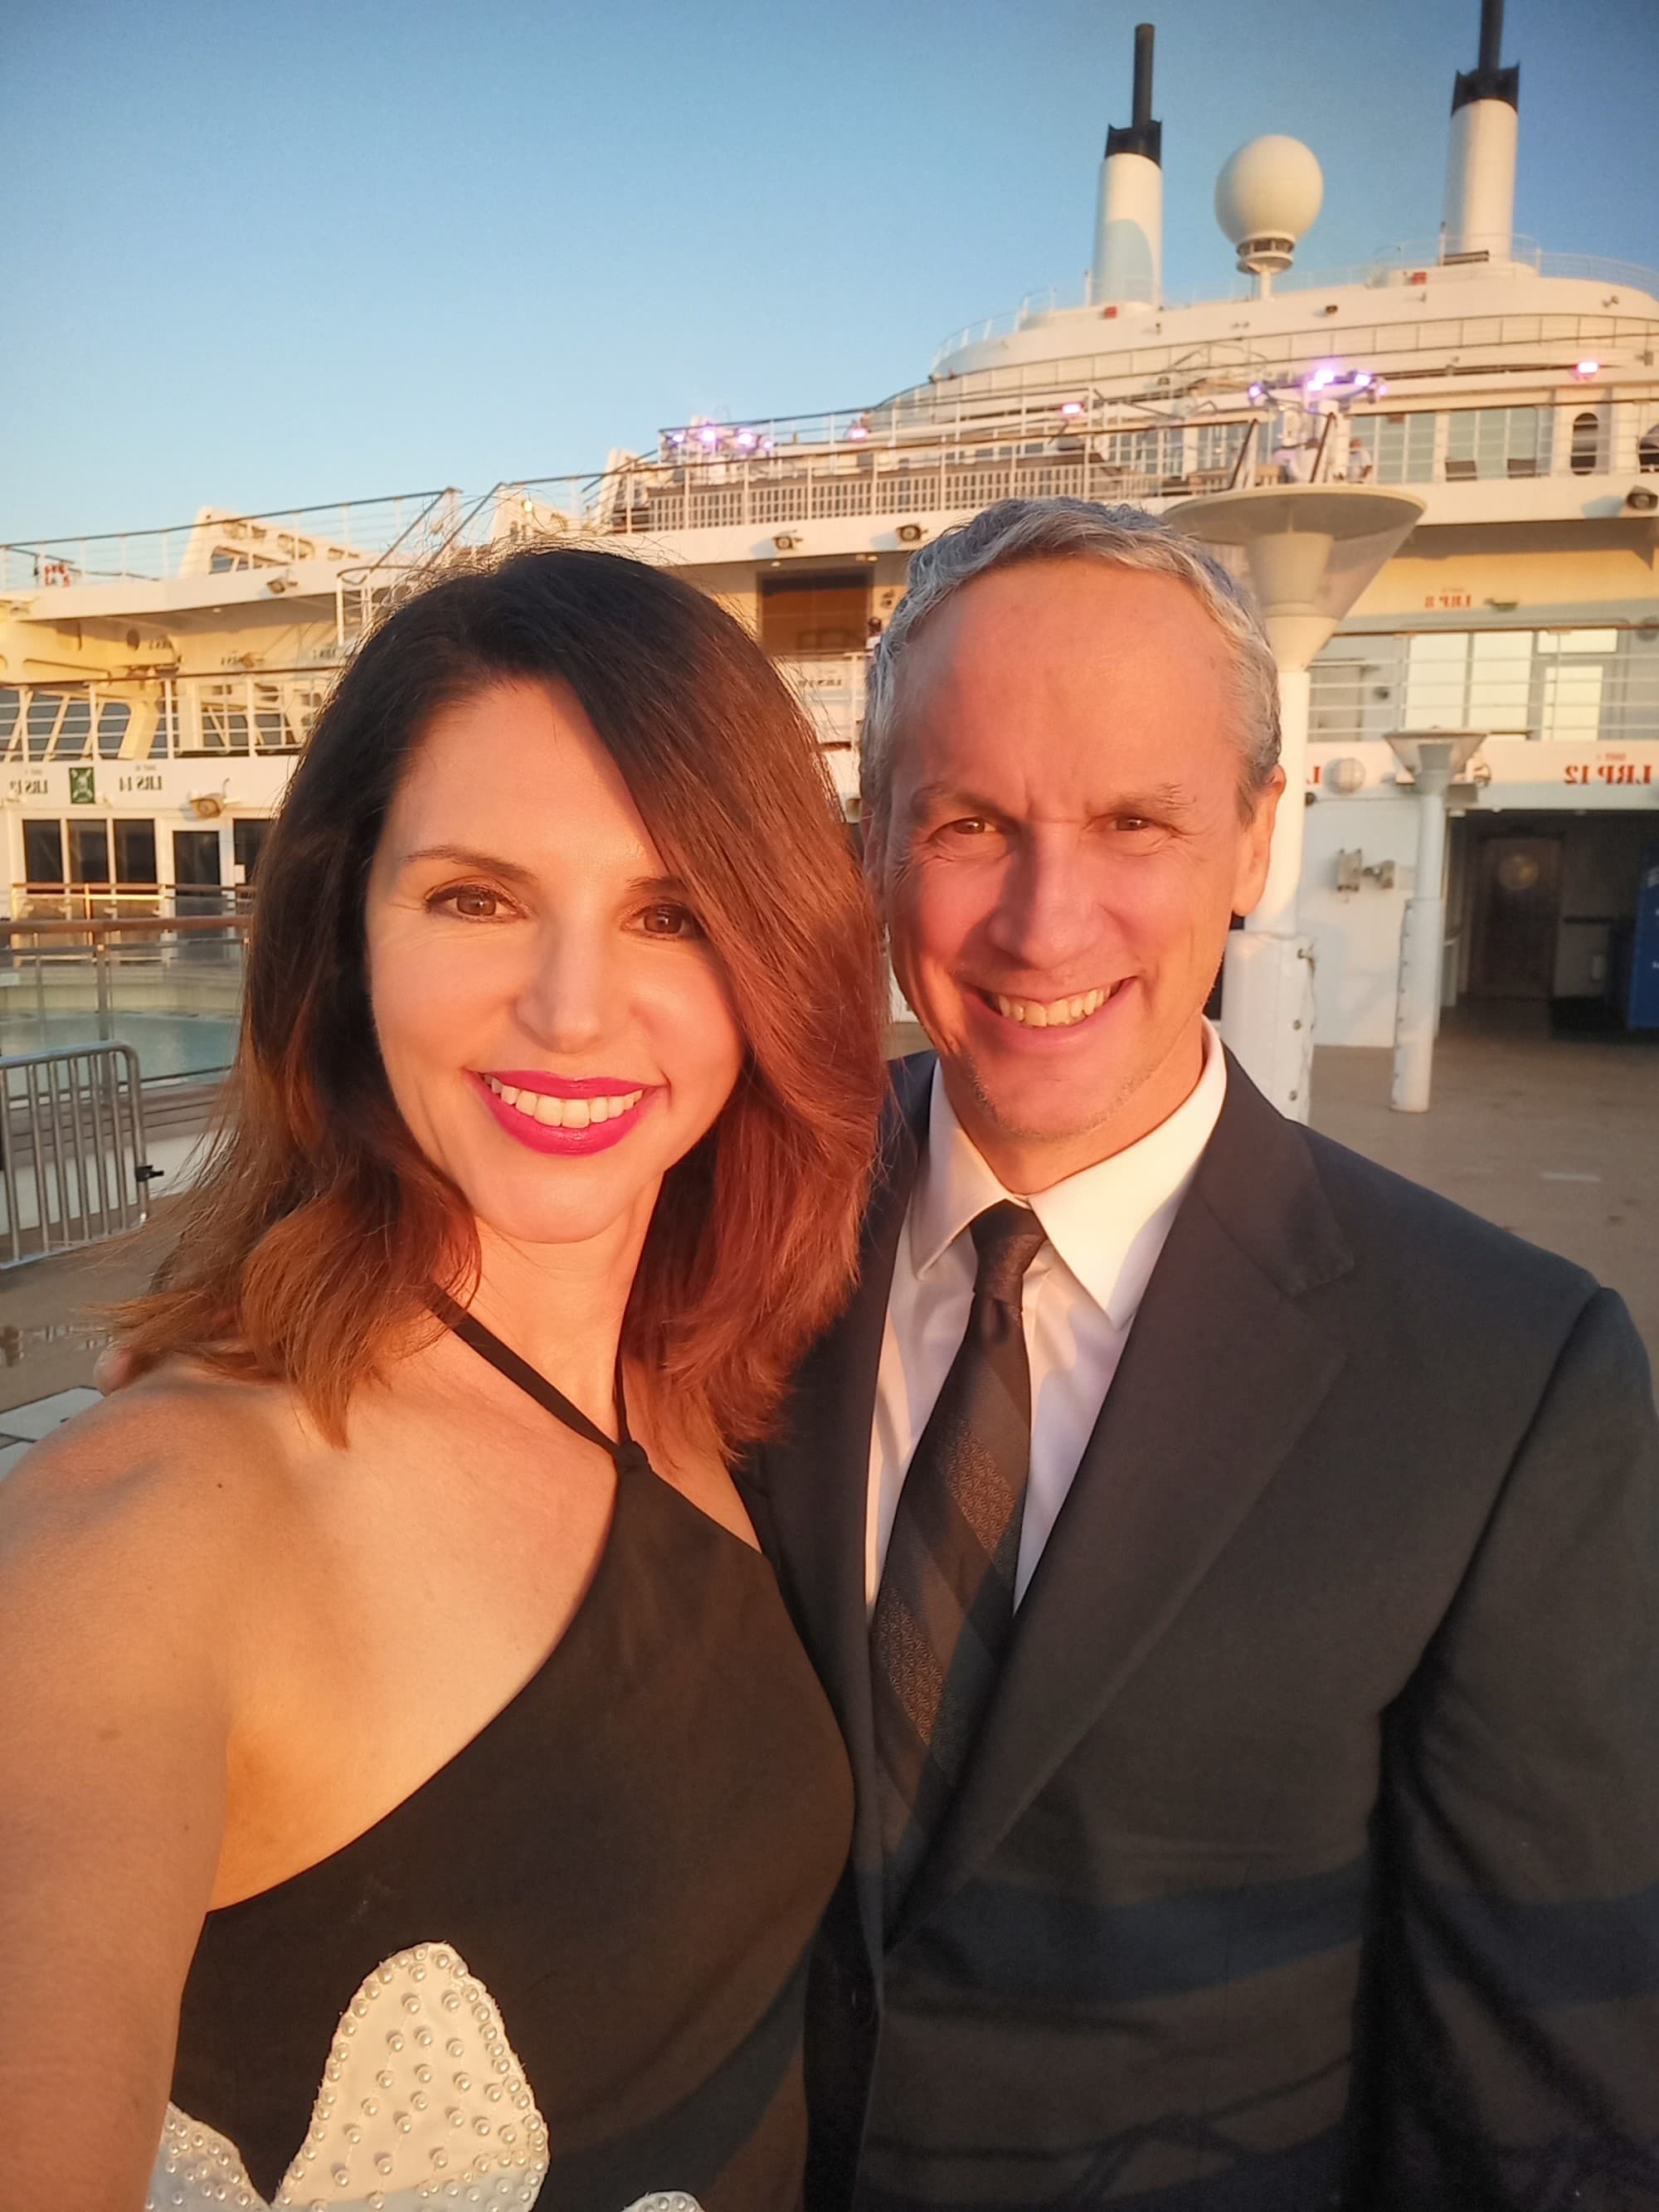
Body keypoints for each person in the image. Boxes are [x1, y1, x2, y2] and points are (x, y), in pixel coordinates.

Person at [747, 499, 1659, 2211]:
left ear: (1256, 839)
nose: (1044, 921)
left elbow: (1535, 2078)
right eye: (968, 822)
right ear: (874, 843)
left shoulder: (1507, 1382)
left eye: (1135, 822)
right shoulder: (725, 1225)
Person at [0, 547, 888, 2212]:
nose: (570, 1010)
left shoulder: (695, 1392)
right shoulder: (153, 1530)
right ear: (345, 934)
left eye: (672, 913)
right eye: (476, 897)